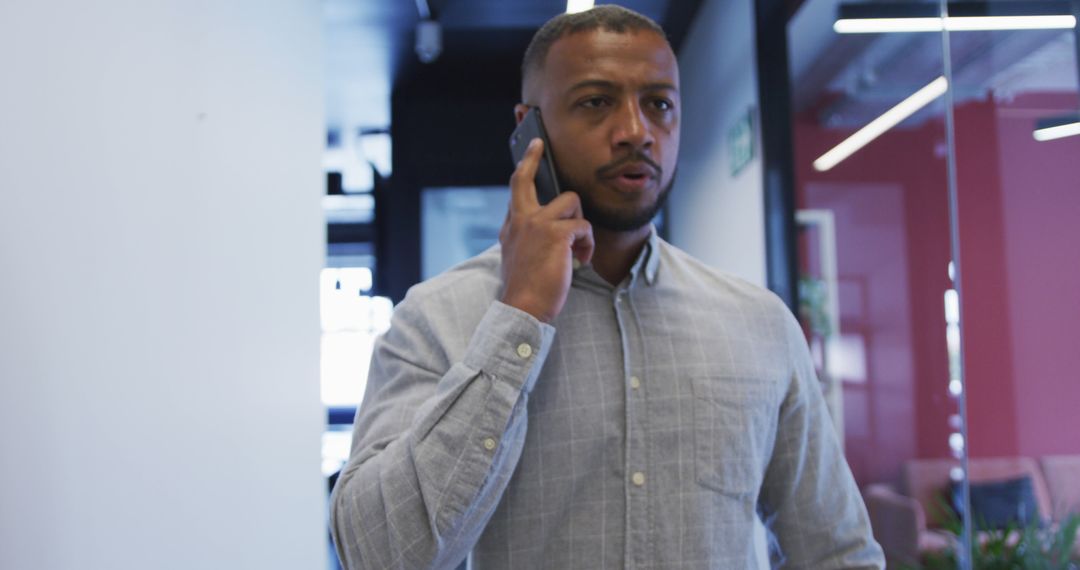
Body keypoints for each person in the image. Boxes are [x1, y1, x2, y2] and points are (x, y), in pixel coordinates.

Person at [330, 6, 884, 569]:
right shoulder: (437, 318)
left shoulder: (760, 324)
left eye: (659, 104)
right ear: (530, 130)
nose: (636, 132)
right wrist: (520, 317)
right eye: (596, 102)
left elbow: (838, 552)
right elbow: (378, 556)